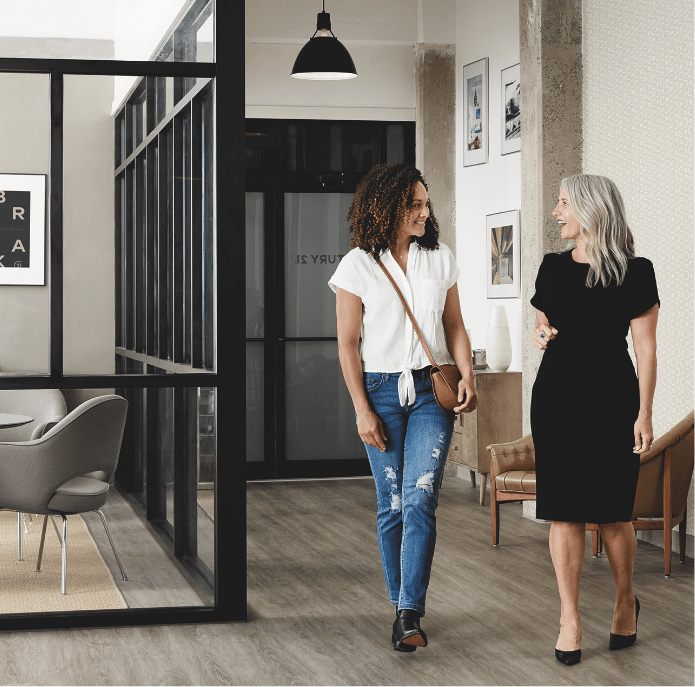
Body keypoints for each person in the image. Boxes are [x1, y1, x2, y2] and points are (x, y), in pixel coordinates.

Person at [328, 163, 476, 652]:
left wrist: (468, 374)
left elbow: (454, 326)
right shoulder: (357, 265)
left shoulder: (439, 258)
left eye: (426, 203)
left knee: (420, 497)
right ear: (387, 206)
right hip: (380, 392)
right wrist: (360, 409)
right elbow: (348, 345)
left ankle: (410, 611)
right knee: (391, 504)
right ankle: (402, 608)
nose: (424, 212)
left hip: (432, 393)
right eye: (414, 204)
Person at [530, 174, 660, 666]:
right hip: (556, 400)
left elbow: (646, 349)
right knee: (563, 511)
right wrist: (542, 332)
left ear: (589, 210)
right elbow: (542, 319)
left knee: (611, 514)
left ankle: (625, 598)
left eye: (563, 203)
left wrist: (645, 412)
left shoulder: (635, 271)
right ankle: (570, 617)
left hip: (612, 402)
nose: (557, 212)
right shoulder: (551, 267)